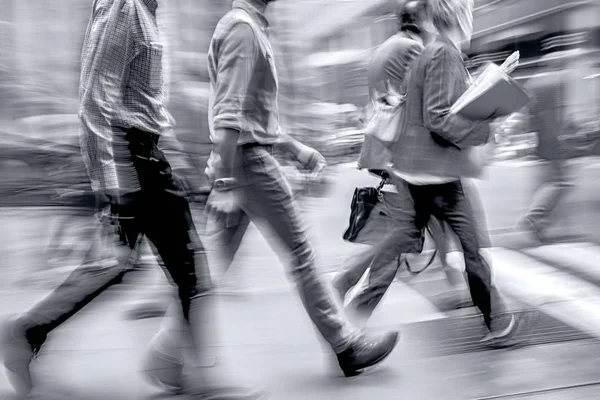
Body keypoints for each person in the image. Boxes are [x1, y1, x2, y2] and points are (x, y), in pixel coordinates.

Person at [0, 1, 259, 398]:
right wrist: (113, 181)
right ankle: (189, 374)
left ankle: (29, 332)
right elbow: (95, 101)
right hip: (130, 160)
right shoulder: (125, 8)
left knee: (123, 266)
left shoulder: (148, 12)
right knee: (182, 266)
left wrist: (179, 164)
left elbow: (144, 104)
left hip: (145, 157)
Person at [204, 0, 399, 378]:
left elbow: (246, 115)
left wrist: (291, 147)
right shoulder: (244, 29)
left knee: (211, 268)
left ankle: (169, 356)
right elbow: (228, 112)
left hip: (241, 160)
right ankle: (346, 346)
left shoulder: (246, 27)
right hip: (249, 166)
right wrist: (226, 182)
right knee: (302, 255)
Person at [341, 0, 524, 347]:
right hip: (437, 175)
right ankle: (498, 322)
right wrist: (484, 128)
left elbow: (430, 105)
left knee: (395, 251)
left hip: (419, 173)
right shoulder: (444, 53)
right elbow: (438, 117)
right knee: (472, 247)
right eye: (470, 13)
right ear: (459, 17)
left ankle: (349, 320)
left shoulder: (431, 51)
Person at [516, 60, 575, 242]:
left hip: (542, 139)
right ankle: (534, 217)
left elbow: (530, 116)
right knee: (561, 182)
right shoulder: (557, 82)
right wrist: (562, 136)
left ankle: (539, 224)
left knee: (548, 182)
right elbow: (558, 114)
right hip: (552, 139)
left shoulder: (536, 82)